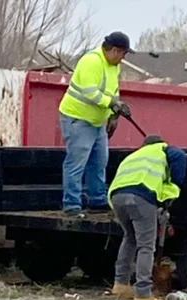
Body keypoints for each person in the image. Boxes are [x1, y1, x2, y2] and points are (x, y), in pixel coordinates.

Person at [57, 31, 133, 217]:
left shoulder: (113, 67)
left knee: (99, 161)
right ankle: (72, 205)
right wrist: (113, 104)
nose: (123, 58)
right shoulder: (91, 61)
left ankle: (97, 199)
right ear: (115, 50)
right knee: (76, 162)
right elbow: (91, 93)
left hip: (96, 122)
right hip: (78, 118)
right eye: (123, 54)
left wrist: (113, 115)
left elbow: (113, 92)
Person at [106, 135, 186, 300]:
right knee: (146, 245)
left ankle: (120, 284)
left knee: (130, 238)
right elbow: (180, 156)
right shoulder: (164, 150)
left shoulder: (134, 155)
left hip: (117, 198)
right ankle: (142, 294)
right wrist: (173, 191)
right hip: (141, 196)